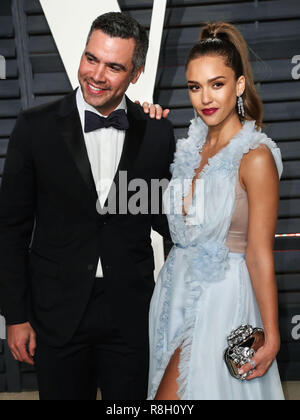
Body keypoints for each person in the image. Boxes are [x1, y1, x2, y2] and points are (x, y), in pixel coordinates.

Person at [0, 12, 175, 400]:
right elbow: (10, 229)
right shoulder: (35, 127)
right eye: (91, 58)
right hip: (57, 312)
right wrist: (16, 315)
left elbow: (166, 218)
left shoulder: (157, 130)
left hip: (130, 313)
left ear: (136, 73)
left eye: (114, 66)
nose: (96, 74)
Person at [147, 22, 285, 400]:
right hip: (173, 295)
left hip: (222, 303)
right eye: (195, 86)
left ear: (239, 85)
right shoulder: (188, 150)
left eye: (217, 84)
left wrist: (271, 336)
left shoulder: (255, 157)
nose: (205, 97)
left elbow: (259, 254)